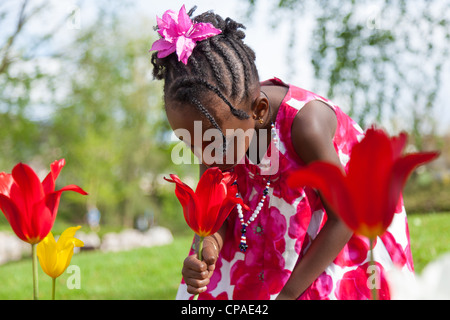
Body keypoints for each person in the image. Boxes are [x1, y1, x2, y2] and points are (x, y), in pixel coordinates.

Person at [150, 5, 414, 300]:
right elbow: (218, 216)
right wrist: (210, 245)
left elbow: (343, 219)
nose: (207, 158)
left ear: (259, 111)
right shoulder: (216, 133)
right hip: (278, 217)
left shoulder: (305, 126)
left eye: (216, 144)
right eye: (192, 144)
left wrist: (287, 294)